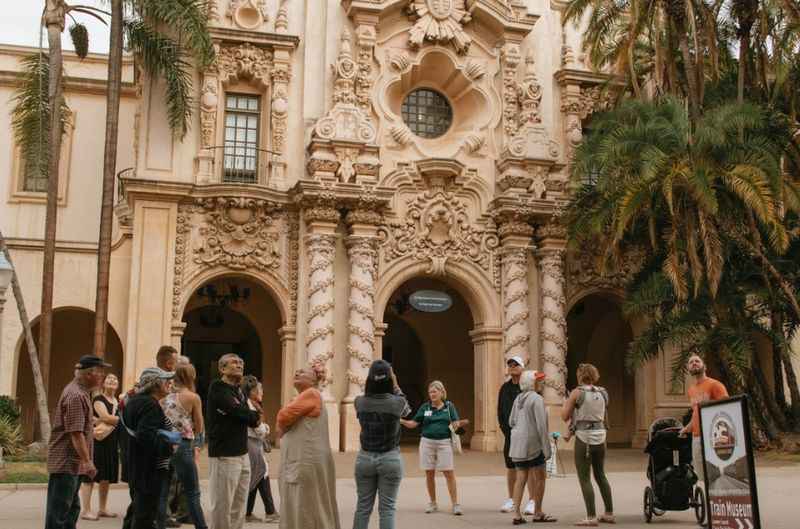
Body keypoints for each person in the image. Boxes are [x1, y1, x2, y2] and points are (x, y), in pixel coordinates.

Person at [44, 355, 108, 529]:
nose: (102, 377)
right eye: (100, 373)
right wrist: (87, 462)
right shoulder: (75, 395)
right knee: (59, 515)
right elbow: (76, 433)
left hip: (72, 464)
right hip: (66, 463)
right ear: (89, 374)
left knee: (71, 510)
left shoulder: (82, 393)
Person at [276, 363, 340, 529]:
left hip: (304, 462)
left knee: (305, 505)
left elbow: (283, 417)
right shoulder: (307, 395)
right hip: (304, 461)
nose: (297, 372)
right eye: (297, 370)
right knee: (308, 503)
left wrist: (282, 427)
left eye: (303, 372)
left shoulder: (310, 393)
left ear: (313, 380)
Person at [352, 360, 410, 529]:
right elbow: (407, 411)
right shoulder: (397, 403)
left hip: (364, 458)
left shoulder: (359, 402)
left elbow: (367, 394)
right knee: (387, 509)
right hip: (390, 457)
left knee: (363, 507)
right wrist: (396, 384)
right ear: (389, 380)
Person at [207, 353, 261, 529]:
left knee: (239, 503)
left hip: (242, 452)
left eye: (241, 363)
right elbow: (238, 412)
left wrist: (248, 415)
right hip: (225, 454)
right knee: (223, 504)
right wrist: (249, 415)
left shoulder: (239, 391)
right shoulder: (218, 387)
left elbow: (247, 416)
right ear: (222, 368)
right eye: (234, 362)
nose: (239, 365)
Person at [123, 367, 181, 529]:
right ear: (155, 384)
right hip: (148, 468)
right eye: (165, 381)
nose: (169, 384)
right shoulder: (150, 405)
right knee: (145, 515)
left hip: (136, 464)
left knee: (136, 510)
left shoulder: (134, 401)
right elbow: (146, 436)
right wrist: (169, 448)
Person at [400, 380, 469, 516]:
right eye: (430, 392)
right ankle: (433, 503)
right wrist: (401, 421)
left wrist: (460, 423)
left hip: (444, 443)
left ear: (442, 392)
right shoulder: (425, 408)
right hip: (427, 442)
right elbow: (414, 423)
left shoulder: (449, 407)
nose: (432, 394)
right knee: (429, 473)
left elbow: (455, 424)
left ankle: (455, 504)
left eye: (434, 391)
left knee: (449, 472)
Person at [561, 364, 614, 526]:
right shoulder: (603, 392)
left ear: (580, 375)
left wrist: (567, 402)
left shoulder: (577, 392)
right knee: (600, 474)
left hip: (585, 438)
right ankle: (609, 513)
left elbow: (564, 416)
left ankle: (591, 517)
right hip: (601, 436)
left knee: (584, 478)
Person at [162, 363, 208, 529]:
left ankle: (160, 523)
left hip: (165, 445)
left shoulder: (165, 396)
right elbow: (200, 425)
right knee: (192, 491)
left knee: (164, 490)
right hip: (183, 445)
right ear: (191, 377)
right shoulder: (192, 397)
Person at [509, 370, 556, 524]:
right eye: (538, 380)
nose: (541, 383)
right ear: (531, 383)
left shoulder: (518, 398)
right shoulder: (536, 399)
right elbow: (541, 426)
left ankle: (516, 514)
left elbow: (511, 421)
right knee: (540, 477)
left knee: (520, 477)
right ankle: (538, 512)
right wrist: (547, 448)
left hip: (517, 444)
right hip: (533, 444)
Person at [679, 354, 729, 482]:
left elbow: (726, 409)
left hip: (713, 436)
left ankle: (718, 499)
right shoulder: (691, 390)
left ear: (704, 366)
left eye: (697, 361)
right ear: (688, 369)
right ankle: (708, 499)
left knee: (715, 473)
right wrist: (687, 428)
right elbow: (696, 413)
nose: (694, 363)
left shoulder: (715, 385)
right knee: (702, 475)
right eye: (691, 362)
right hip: (696, 437)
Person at [79, 373, 120, 521]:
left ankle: (102, 509)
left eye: (115, 379)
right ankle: (86, 510)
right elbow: (105, 417)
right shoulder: (98, 399)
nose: (112, 380)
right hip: (98, 442)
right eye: (109, 379)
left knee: (105, 477)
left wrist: (111, 420)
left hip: (111, 442)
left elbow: (107, 419)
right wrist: (119, 419)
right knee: (90, 475)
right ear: (104, 384)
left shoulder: (116, 401)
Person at [498, 356, 535, 515]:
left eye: (516, 365)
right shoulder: (504, 388)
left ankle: (532, 500)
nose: (512, 367)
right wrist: (506, 430)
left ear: (522, 368)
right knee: (511, 467)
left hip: (527, 434)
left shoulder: (528, 387)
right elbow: (500, 411)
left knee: (531, 467)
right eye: (510, 365)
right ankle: (511, 499)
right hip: (510, 435)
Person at [241, 375, 279, 524]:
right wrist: (267, 428)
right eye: (260, 389)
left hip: (253, 444)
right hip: (252, 444)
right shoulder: (250, 406)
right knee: (261, 473)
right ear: (252, 391)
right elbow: (259, 429)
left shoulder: (252, 404)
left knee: (257, 475)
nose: (262, 392)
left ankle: (248, 513)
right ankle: (270, 512)